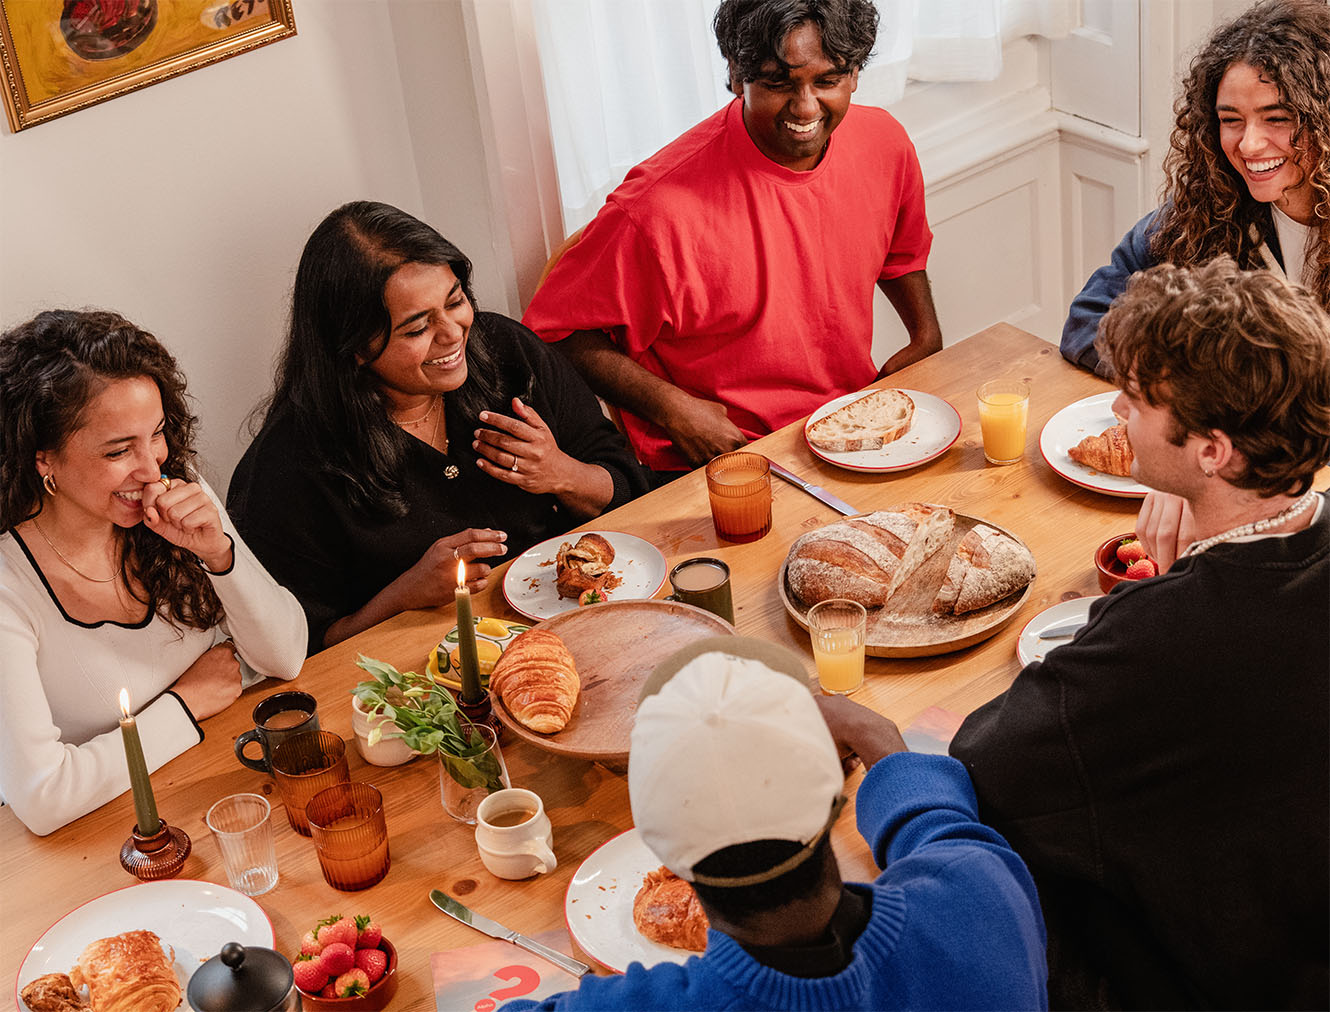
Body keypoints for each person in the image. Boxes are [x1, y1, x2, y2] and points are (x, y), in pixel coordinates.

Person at [952, 258, 1330, 1009]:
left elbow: (984, 765)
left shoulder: (1158, 640)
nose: (1117, 412)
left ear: (1213, 450)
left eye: (1134, 401)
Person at [503, 639, 1048, 1011]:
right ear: (839, 786)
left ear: (659, 852)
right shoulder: (983, 891)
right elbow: (942, 830)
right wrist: (874, 736)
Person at [522, 0, 941, 479]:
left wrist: (924, 334)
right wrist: (673, 408)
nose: (806, 107)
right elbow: (551, 332)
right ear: (737, 75)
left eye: (827, 81)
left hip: (852, 433)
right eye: (778, 83)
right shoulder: (654, 210)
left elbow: (901, 251)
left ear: (856, 72)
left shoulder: (884, 142)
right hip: (723, 464)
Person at [228, 202, 648, 654]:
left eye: (455, 301)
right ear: (352, 348)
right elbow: (294, 653)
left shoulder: (507, 353)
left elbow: (631, 484)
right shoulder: (288, 468)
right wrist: (400, 597)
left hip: (590, 628)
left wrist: (563, 473)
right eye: (416, 329)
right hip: (427, 685)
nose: (452, 333)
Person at [0, 310, 306, 836]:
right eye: (119, 450)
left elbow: (286, 656)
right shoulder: (9, 586)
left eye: (157, 435)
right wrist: (186, 705)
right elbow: (43, 797)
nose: (151, 468)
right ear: (42, 459)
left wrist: (220, 556)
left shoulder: (177, 499)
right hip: (108, 839)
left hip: (230, 793)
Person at [1061, 0, 1329, 377]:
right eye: (1231, 120)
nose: (1249, 145)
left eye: (1277, 118)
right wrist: (1192, 385)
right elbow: (1092, 317)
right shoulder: (1208, 209)